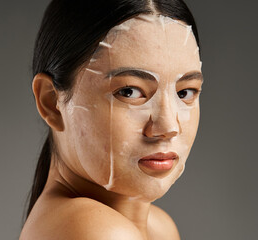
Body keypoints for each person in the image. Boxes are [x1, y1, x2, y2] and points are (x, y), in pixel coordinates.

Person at [20, 0, 203, 239]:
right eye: (129, 91)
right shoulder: (97, 232)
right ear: (52, 101)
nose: (168, 127)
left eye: (185, 92)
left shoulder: (158, 226)